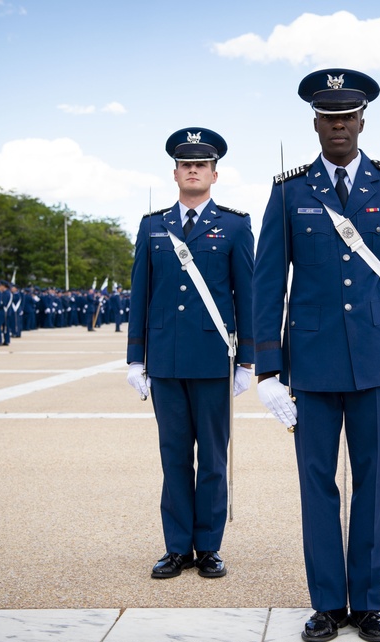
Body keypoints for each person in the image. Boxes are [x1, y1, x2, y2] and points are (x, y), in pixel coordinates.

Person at [253, 68, 380, 642]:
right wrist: (268, 369)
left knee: (373, 484)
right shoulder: (289, 190)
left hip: (376, 361)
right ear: (316, 123)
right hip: (314, 363)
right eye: (329, 118)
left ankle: (368, 604)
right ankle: (327, 602)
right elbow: (267, 282)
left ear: (362, 121)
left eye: (348, 117)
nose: (338, 126)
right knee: (317, 483)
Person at [126, 127, 254, 581]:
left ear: (215, 174)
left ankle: (210, 547)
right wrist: (135, 358)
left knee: (214, 461)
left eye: (202, 164)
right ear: (175, 172)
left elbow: (247, 294)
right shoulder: (151, 225)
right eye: (186, 163)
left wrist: (248, 361)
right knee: (174, 456)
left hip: (213, 359)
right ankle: (177, 547)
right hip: (165, 359)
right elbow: (140, 293)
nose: (193, 169)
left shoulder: (236, 225)